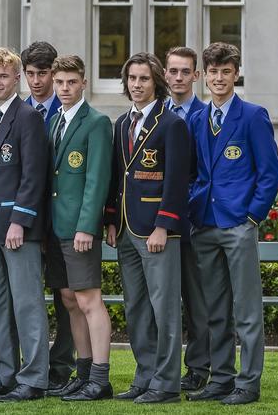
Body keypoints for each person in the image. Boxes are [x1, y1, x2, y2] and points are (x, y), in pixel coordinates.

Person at [187, 43, 278, 405]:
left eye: (226, 71)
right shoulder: (197, 119)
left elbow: (270, 174)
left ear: (236, 73)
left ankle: (248, 383)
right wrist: (195, 207)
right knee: (214, 309)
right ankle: (221, 379)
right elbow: (194, 172)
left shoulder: (253, 116)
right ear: (205, 75)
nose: (219, 78)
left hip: (238, 224)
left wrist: (252, 216)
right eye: (213, 71)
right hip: (206, 224)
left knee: (246, 309)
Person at [105, 52, 190, 404]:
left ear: (156, 81)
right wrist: (111, 219)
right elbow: (116, 177)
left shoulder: (172, 124)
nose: (136, 84)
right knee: (136, 307)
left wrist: (163, 226)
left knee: (164, 309)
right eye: (131, 78)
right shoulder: (122, 122)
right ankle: (145, 376)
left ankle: (167, 384)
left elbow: (177, 181)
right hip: (126, 230)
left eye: (143, 78)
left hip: (156, 231)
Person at [0, 47, 49, 402]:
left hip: (18, 229)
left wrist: (20, 220)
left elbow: (33, 176)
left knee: (27, 303)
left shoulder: (28, 117)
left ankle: (33, 378)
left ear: (16, 78)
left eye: (4, 76)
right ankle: (5, 372)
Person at [46, 55, 113, 402]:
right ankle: (83, 372)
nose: (64, 89)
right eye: (59, 83)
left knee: (89, 300)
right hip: (55, 228)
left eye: (71, 82)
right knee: (70, 299)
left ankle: (100, 378)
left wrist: (87, 226)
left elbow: (97, 179)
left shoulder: (96, 122)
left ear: (83, 82)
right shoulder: (53, 120)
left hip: (79, 229)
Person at [21, 39, 75, 394]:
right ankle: (28, 363)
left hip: (60, 221)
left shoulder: (69, 110)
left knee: (65, 297)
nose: (37, 81)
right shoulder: (18, 111)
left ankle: (62, 365)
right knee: (25, 297)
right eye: (31, 74)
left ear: (55, 73)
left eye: (43, 73)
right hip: (25, 222)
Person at [164, 46, 210, 394]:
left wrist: (180, 207)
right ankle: (159, 368)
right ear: (165, 73)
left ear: (196, 75)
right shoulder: (156, 112)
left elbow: (203, 173)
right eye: (173, 71)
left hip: (191, 222)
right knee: (163, 299)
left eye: (185, 71)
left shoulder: (206, 116)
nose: (178, 77)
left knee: (196, 300)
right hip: (157, 225)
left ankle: (197, 368)